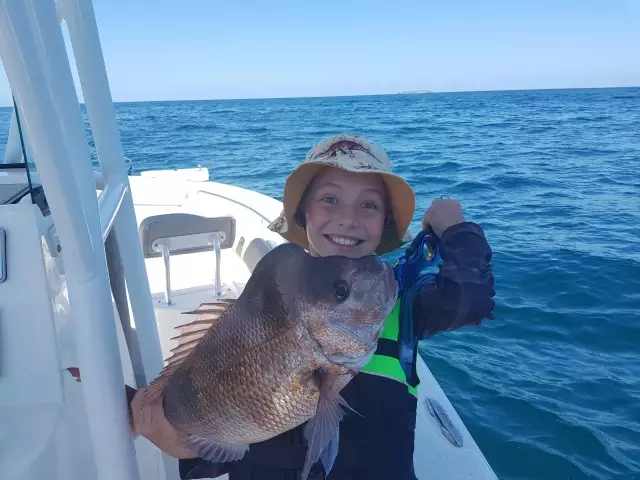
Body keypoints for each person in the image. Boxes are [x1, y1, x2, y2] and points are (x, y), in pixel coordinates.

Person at [130, 133, 495, 480]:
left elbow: (469, 299)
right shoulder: (266, 303)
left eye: (368, 204)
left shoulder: (401, 306)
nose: (348, 217)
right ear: (302, 215)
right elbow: (237, 427)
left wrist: (455, 229)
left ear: (385, 224)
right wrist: (180, 445)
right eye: (329, 199)